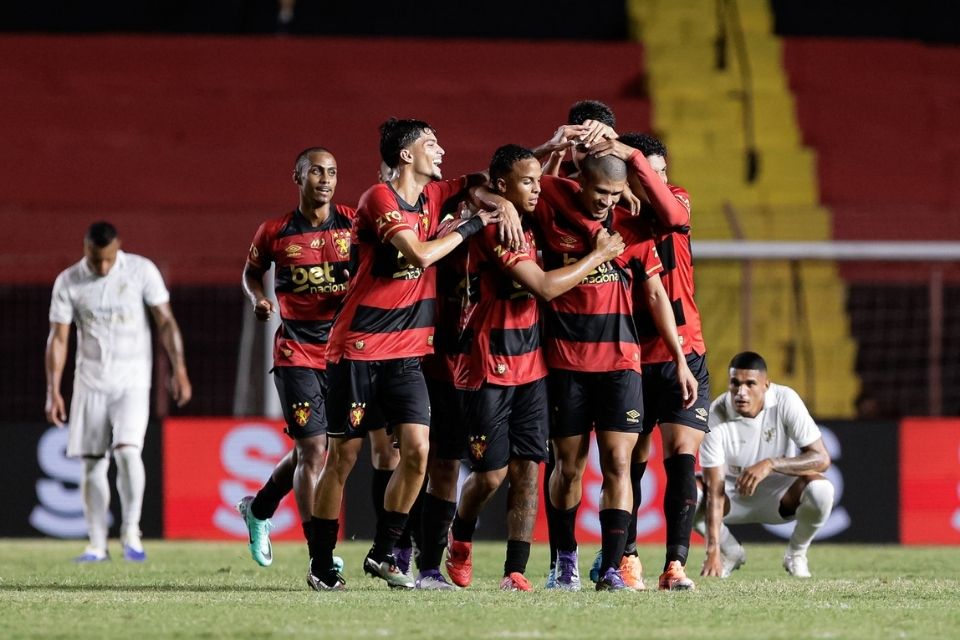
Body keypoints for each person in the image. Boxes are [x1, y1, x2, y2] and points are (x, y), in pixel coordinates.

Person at [305, 118, 508, 591]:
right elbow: (417, 254)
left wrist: (539, 160)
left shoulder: (435, 196)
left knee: (417, 452)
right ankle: (320, 562)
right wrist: (473, 225)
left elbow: (484, 178)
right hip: (357, 349)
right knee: (343, 458)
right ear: (406, 156)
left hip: (407, 354)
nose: (442, 151)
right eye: (431, 144)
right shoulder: (379, 198)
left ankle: (384, 552)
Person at [443, 145, 625, 592]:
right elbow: (544, 287)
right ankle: (460, 537)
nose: (536, 189)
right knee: (491, 474)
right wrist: (599, 257)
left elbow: (546, 184)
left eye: (536, 182)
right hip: (490, 365)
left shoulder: (535, 220)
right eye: (526, 183)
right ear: (503, 186)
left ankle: (515, 571)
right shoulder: (496, 228)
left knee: (529, 471)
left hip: (534, 369)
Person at [533, 153, 697, 591]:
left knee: (619, 465)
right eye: (598, 192)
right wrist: (558, 146)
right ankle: (563, 560)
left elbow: (658, 295)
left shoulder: (633, 229)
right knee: (567, 467)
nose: (605, 202)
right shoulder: (553, 216)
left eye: (612, 193)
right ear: (580, 185)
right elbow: (533, 179)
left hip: (622, 366)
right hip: (566, 363)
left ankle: (610, 565)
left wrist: (680, 359)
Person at [235, 147, 398, 571]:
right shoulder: (273, 232)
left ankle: (259, 508)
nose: (325, 180)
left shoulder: (354, 223)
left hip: (348, 352)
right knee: (313, 449)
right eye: (316, 172)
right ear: (298, 176)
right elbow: (251, 273)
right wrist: (258, 299)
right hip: (297, 352)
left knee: (323, 448)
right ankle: (318, 557)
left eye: (332, 172)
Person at [585, 132, 710, 591]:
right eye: (643, 172)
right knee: (629, 461)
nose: (653, 179)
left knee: (682, 458)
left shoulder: (676, 202)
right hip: (631, 355)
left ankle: (675, 564)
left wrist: (634, 158)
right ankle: (627, 557)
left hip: (684, 350)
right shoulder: (612, 221)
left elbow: (671, 211)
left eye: (657, 171)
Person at [45, 221, 192, 562]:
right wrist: (53, 390)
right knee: (93, 463)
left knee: (127, 452)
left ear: (118, 249)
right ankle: (97, 543)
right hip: (90, 382)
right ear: (86, 251)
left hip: (132, 382)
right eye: (97, 260)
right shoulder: (69, 281)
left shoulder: (140, 271)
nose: (104, 267)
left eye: (109, 259)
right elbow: (59, 338)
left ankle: (131, 533)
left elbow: (166, 321)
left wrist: (179, 370)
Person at [695, 351, 835, 579]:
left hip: (780, 495)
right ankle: (730, 551)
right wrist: (713, 550)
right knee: (688, 494)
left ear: (766, 386)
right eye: (735, 384)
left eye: (750, 384)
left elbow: (821, 458)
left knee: (822, 490)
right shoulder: (714, 415)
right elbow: (714, 489)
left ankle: (797, 553)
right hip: (733, 496)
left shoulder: (785, 400)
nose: (741, 392)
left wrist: (770, 464)